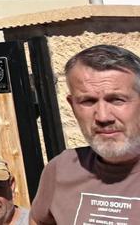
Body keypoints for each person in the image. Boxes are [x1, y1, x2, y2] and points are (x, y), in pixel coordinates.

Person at [30, 44, 140, 224]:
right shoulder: (61, 169)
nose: (103, 116)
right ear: (72, 106)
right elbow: (38, 219)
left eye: (117, 99)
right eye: (88, 101)